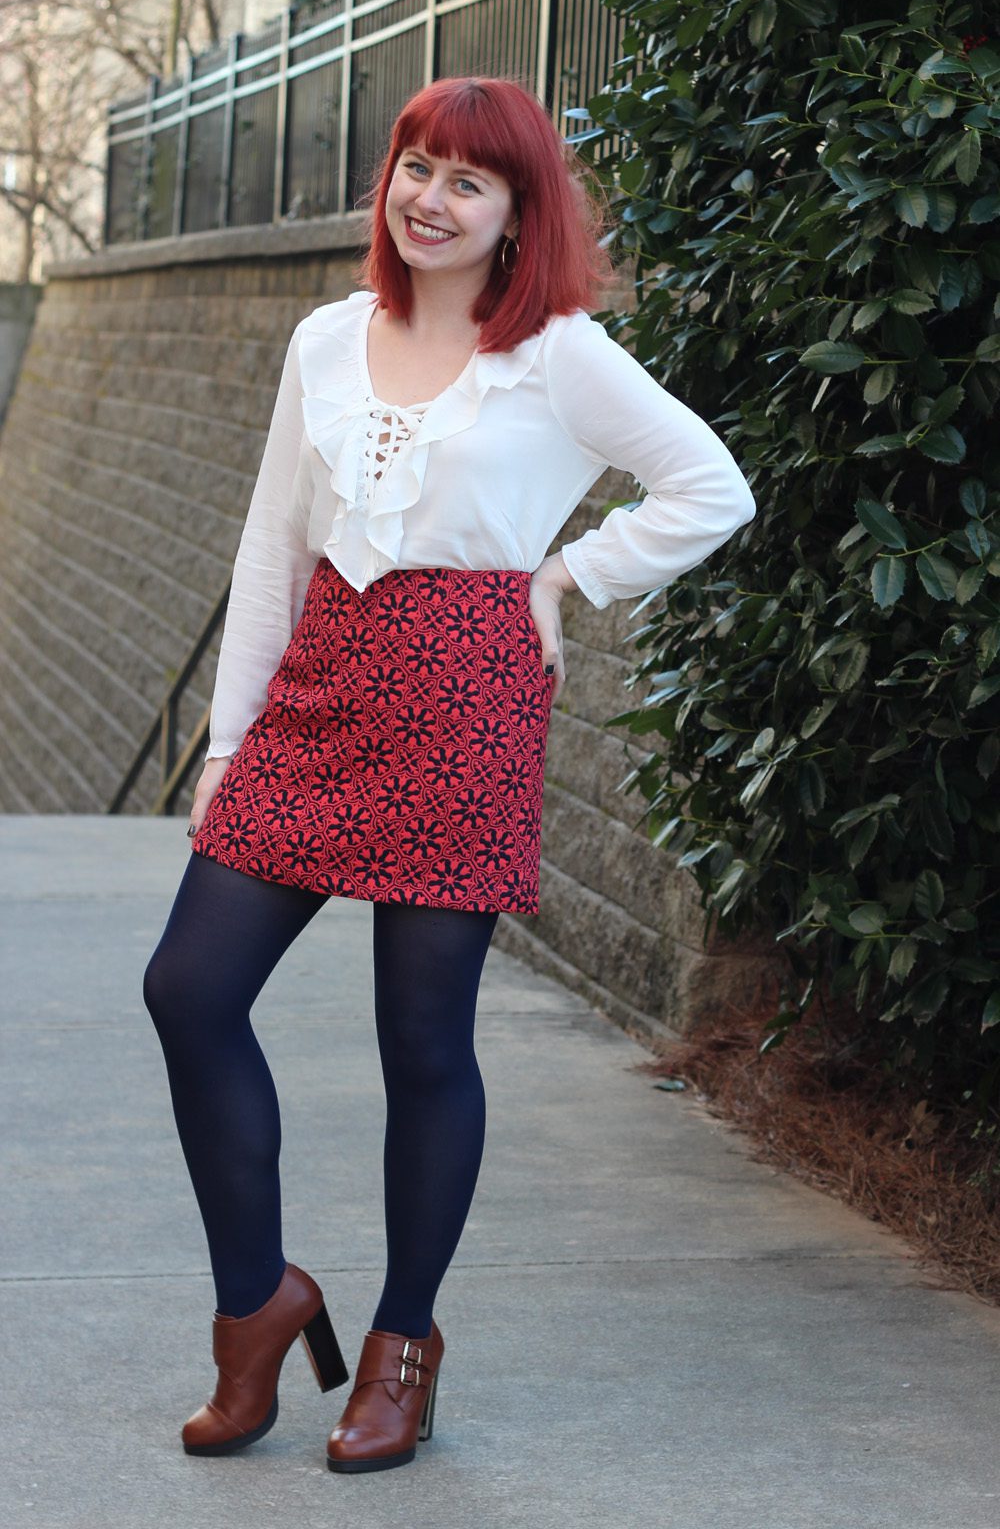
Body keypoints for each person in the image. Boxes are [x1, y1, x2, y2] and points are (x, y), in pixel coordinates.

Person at [141, 74, 756, 1475]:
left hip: (465, 700)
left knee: (421, 1045)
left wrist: (570, 577)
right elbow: (268, 553)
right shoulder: (323, 340)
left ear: (515, 214)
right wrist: (231, 746)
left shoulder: (558, 354)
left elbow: (711, 486)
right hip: (318, 688)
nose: (429, 197)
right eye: (415, 166)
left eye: (466, 182)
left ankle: (401, 1350)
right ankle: (257, 1309)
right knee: (188, 987)